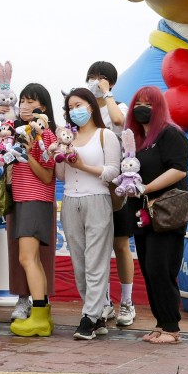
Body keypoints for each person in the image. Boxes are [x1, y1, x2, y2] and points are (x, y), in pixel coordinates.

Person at [125, 85, 188, 345]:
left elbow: (179, 169)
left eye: (149, 104)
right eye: (138, 103)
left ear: (160, 107)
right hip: (142, 214)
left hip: (166, 213)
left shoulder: (170, 134)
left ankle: (172, 328)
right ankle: (160, 323)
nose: (143, 108)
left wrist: (147, 188)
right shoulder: (135, 141)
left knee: (161, 268)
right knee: (149, 270)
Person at [56, 87, 122, 340]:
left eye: (79, 105)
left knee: (96, 261)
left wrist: (82, 165)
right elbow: (61, 176)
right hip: (70, 201)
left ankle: (89, 317)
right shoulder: (67, 137)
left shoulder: (105, 135)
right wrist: (59, 155)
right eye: (70, 108)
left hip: (97, 199)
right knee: (79, 264)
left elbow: (113, 172)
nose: (75, 111)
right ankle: (97, 315)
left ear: (91, 106)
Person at [5, 83, 58, 337]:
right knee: (32, 259)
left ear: (43, 108)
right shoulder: (23, 131)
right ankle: (43, 314)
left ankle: (37, 316)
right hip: (23, 200)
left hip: (35, 200)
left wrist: (28, 154)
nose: (25, 106)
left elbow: (48, 176)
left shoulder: (45, 134)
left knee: (27, 258)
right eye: (23, 101)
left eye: (31, 101)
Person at [86, 60, 136, 327]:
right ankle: (103, 302)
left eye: (101, 77)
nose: (95, 81)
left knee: (120, 244)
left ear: (112, 83)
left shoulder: (119, 106)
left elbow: (118, 122)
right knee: (97, 248)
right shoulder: (84, 111)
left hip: (117, 185)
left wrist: (106, 95)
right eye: (91, 77)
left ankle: (126, 302)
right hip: (93, 185)